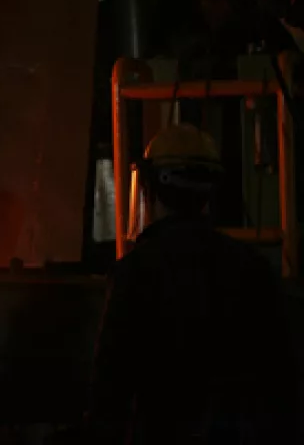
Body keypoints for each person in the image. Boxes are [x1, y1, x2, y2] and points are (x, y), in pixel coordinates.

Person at [87, 124, 297, 444]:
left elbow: (110, 389)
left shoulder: (136, 272)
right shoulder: (252, 268)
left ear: (148, 189)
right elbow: (281, 383)